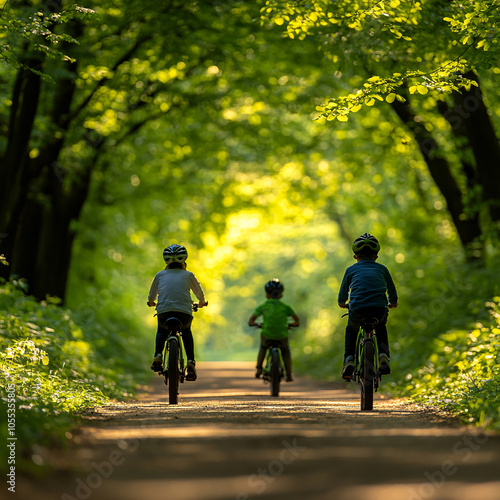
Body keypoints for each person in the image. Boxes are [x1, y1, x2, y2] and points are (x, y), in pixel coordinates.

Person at [338, 233, 398, 381]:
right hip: (379, 309)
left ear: (355, 257)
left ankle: (349, 359)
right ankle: (383, 356)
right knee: (381, 327)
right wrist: (393, 302)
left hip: (357, 308)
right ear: (376, 256)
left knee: (351, 330)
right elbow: (392, 290)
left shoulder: (350, 270)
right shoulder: (383, 269)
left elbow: (342, 294)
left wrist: (342, 303)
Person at [147, 244, 207, 381]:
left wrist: (151, 302)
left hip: (164, 312)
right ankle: (191, 361)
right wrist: (202, 303)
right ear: (183, 260)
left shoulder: (159, 275)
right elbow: (200, 295)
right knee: (186, 331)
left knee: (162, 330)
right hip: (184, 313)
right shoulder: (188, 275)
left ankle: (157, 355)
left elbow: (151, 297)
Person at [248, 278, 300, 382]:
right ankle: (289, 374)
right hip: (282, 335)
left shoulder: (263, 306)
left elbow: (251, 321)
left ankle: (259, 369)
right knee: (285, 351)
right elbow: (297, 321)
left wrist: (256, 324)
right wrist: (292, 324)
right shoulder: (286, 307)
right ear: (281, 294)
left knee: (263, 348)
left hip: (267, 334)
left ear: (267, 294)